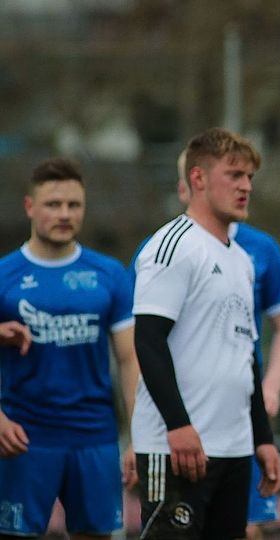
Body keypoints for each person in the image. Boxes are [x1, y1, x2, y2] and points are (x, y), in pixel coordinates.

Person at [130, 151, 280, 540]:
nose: (246, 186)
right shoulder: (171, 246)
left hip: (235, 447)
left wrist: (263, 439)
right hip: (177, 447)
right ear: (198, 178)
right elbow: (148, 340)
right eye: (234, 175)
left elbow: (247, 358)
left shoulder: (242, 259)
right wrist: (179, 425)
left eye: (250, 177)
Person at [0, 158, 139, 539]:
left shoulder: (108, 274)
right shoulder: (4, 275)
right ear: (30, 207)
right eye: (53, 204)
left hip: (94, 436)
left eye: (73, 205)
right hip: (24, 436)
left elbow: (130, 359)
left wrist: (139, 435)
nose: (64, 214)